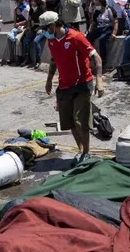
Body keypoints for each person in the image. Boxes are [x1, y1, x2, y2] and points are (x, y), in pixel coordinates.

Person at [40, 11, 104, 165]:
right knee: (69, 122)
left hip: (82, 84)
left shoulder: (76, 37)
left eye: (44, 28)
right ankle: (80, 150)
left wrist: (99, 80)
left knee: (80, 120)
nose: (42, 32)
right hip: (64, 85)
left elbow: (96, 57)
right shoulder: (52, 41)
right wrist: (49, 80)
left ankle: (87, 152)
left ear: (53, 26)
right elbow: (54, 60)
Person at [85, 0, 117, 68]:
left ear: (102, 3)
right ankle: (89, 54)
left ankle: (103, 59)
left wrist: (114, 33)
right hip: (99, 28)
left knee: (102, 39)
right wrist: (89, 31)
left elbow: (115, 22)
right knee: (89, 37)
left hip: (107, 28)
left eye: (97, 4)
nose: (97, 6)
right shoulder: (97, 12)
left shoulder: (109, 10)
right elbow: (93, 23)